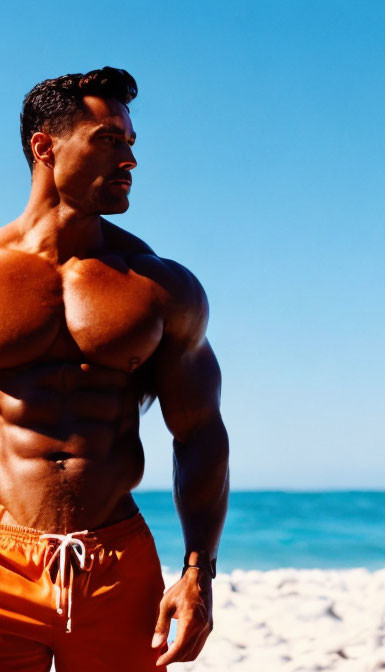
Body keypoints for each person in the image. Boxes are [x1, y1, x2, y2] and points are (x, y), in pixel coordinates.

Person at [0, 67, 229, 671]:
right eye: (108, 140)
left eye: (130, 144)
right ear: (44, 147)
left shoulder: (158, 287)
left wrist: (197, 573)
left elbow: (200, 432)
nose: (129, 159)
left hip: (115, 565)